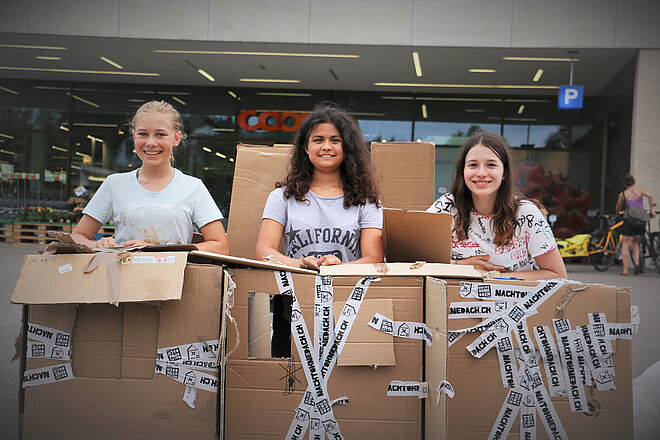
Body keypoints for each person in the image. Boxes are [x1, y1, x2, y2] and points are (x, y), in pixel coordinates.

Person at [71, 100, 229, 254]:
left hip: (173, 279)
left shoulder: (193, 187)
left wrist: (155, 251)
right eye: (143, 134)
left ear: (176, 138)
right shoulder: (115, 184)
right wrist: (96, 244)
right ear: (134, 136)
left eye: (160, 134)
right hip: (121, 278)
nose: (151, 142)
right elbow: (77, 237)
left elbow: (220, 246)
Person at [255, 102, 384, 268]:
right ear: (306, 148)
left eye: (335, 140)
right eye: (318, 140)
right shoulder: (282, 197)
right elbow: (263, 252)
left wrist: (339, 268)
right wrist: (303, 264)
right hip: (294, 290)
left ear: (348, 147)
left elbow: (374, 258)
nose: (326, 147)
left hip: (347, 290)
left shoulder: (366, 201)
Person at [427, 131, 567, 281]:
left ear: (504, 173)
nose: (481, 173)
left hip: (514, 302)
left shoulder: (526, 213)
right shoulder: (446, 206)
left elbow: (556, 274)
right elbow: (410, 262)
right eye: (473, 165)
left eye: (491, 165)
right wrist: (460, 265)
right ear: (463, 171)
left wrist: (492, 277)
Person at [615, 173, 655, 275]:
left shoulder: (623, 194)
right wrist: (652, 210)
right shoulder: (640, 190)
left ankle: (625, 270)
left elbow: (618, 207)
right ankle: (637, 263)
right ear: (634, 182)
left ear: (625, 184)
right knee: (636, 243)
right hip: (640, 220)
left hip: (629, 220)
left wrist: (619, 212)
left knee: (626, 244)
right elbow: (650, 196)